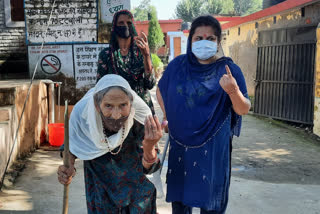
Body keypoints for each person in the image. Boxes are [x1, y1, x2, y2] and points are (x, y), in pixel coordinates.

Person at [156, 16, 251, 214]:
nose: (204, 42)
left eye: (210, 38)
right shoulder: (178, 66)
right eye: (198, 38)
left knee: (211, 201)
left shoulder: (229, 70)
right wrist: (167, 116)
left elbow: (243, 109)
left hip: (214, 146)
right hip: (180, 145)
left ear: (218, 42)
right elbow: (161, 89)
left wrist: (233, 91)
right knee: (181, 202)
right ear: (190, 41)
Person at [57, 74, 165, 213]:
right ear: (97, 105)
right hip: (101, 195)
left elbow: (150, 169)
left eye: (123, 105)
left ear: (131, 103)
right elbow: (71, 145)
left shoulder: (141, 118)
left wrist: (149, 147)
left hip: (137, 198)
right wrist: (69, 166)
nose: (116, 115)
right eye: (108, 106)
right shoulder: (84, 117)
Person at [97, 10, 155, 113]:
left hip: (141, 109)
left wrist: (146, 56)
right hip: (117, 112)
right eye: (121, 23)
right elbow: (100, 87)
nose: (125, 26)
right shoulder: (106, 55)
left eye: (128, 23)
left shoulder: (141, 50)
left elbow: (150, 84)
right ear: (115, 26)